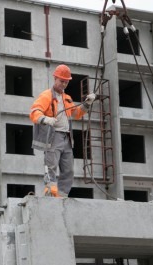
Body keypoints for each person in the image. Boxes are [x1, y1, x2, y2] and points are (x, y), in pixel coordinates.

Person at [29, 64, 96, 197]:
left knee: (68, 170)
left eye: (66, 82)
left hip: (67, 138)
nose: (64, 84)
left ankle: (62, 195)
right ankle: (51, 192)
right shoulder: (46, 95)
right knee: (51, 166)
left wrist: (87, 104)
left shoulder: (67, 98)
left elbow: (76, 114)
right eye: (62, 81)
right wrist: (45, 119)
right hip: (53, 136)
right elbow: (34, 111)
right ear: (55, 78)